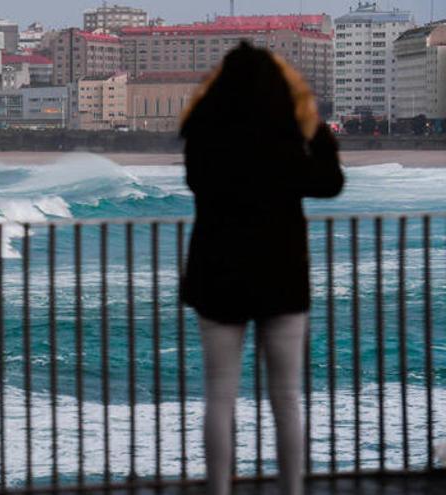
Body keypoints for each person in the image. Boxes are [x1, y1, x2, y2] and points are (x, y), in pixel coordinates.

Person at [179, 42, 344, 495]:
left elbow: (196, 182)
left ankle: (218, 489)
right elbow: (330, 184)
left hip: (217, 277)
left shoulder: (204, 136)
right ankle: (292, 490)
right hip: (281, 276)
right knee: (286, 400)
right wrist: (316, 130)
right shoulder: (284, 139)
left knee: (219, 397)